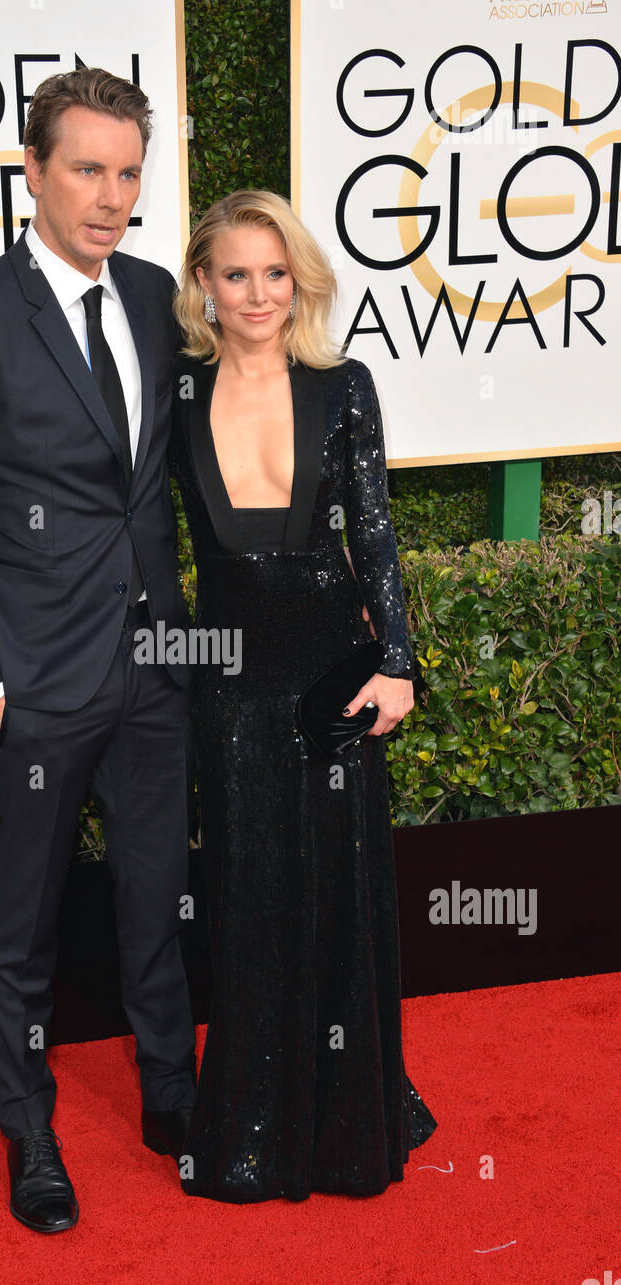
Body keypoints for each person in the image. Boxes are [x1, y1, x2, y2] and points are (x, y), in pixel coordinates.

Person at [0, 68, 198, 1235]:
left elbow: (181, 477)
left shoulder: (156, 294)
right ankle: (30, 1135)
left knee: (156, 898)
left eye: (128, 172)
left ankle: (171, 1096)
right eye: (87, 168)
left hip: (153, 669)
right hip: (34, 685)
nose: (110, 195)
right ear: (32, 172)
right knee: (20, 928)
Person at [164, 190, 437, 1202]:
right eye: (236, 273)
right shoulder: (174, 392)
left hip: (332, 668)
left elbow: (373, 533)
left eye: (275, 273)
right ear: (204, 282)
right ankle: (249, 1126)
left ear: (300, 280)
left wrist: (397, 663)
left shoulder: (343, 385)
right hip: (229, 674)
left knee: (338, 891)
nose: (258, 293)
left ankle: (345, 1116)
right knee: (245, 895)